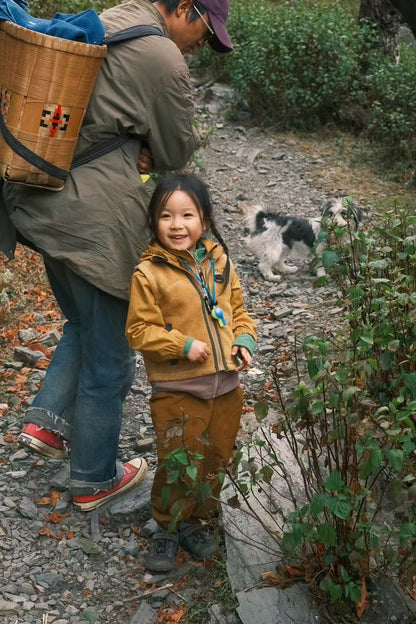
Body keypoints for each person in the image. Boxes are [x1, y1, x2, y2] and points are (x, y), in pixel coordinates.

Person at [0, 0, 233, 511]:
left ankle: (47, 421)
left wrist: (129, 139)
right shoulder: (163, 57)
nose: (199, 44)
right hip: (94, 219)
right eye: (204, 31)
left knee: (84, 324)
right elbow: (175, 154)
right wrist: (141, 146)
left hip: (42, 199)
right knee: (111, 358)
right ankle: (93, 479)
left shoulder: (110, 19)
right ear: (186, 9)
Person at [125, 173, 257, 571]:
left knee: (216, 456)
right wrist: (182, 344)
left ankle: (195, 521)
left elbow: (239, 313)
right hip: (178, 388)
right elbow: (138, 330)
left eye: (187, 215)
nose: (177, 224)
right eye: (166, 216)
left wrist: (244, 342)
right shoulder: (148, 274)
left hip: (226, 386)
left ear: (205, 219)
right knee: (178, 458)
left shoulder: (220, 262)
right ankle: (166, 528)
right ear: (154, 221)